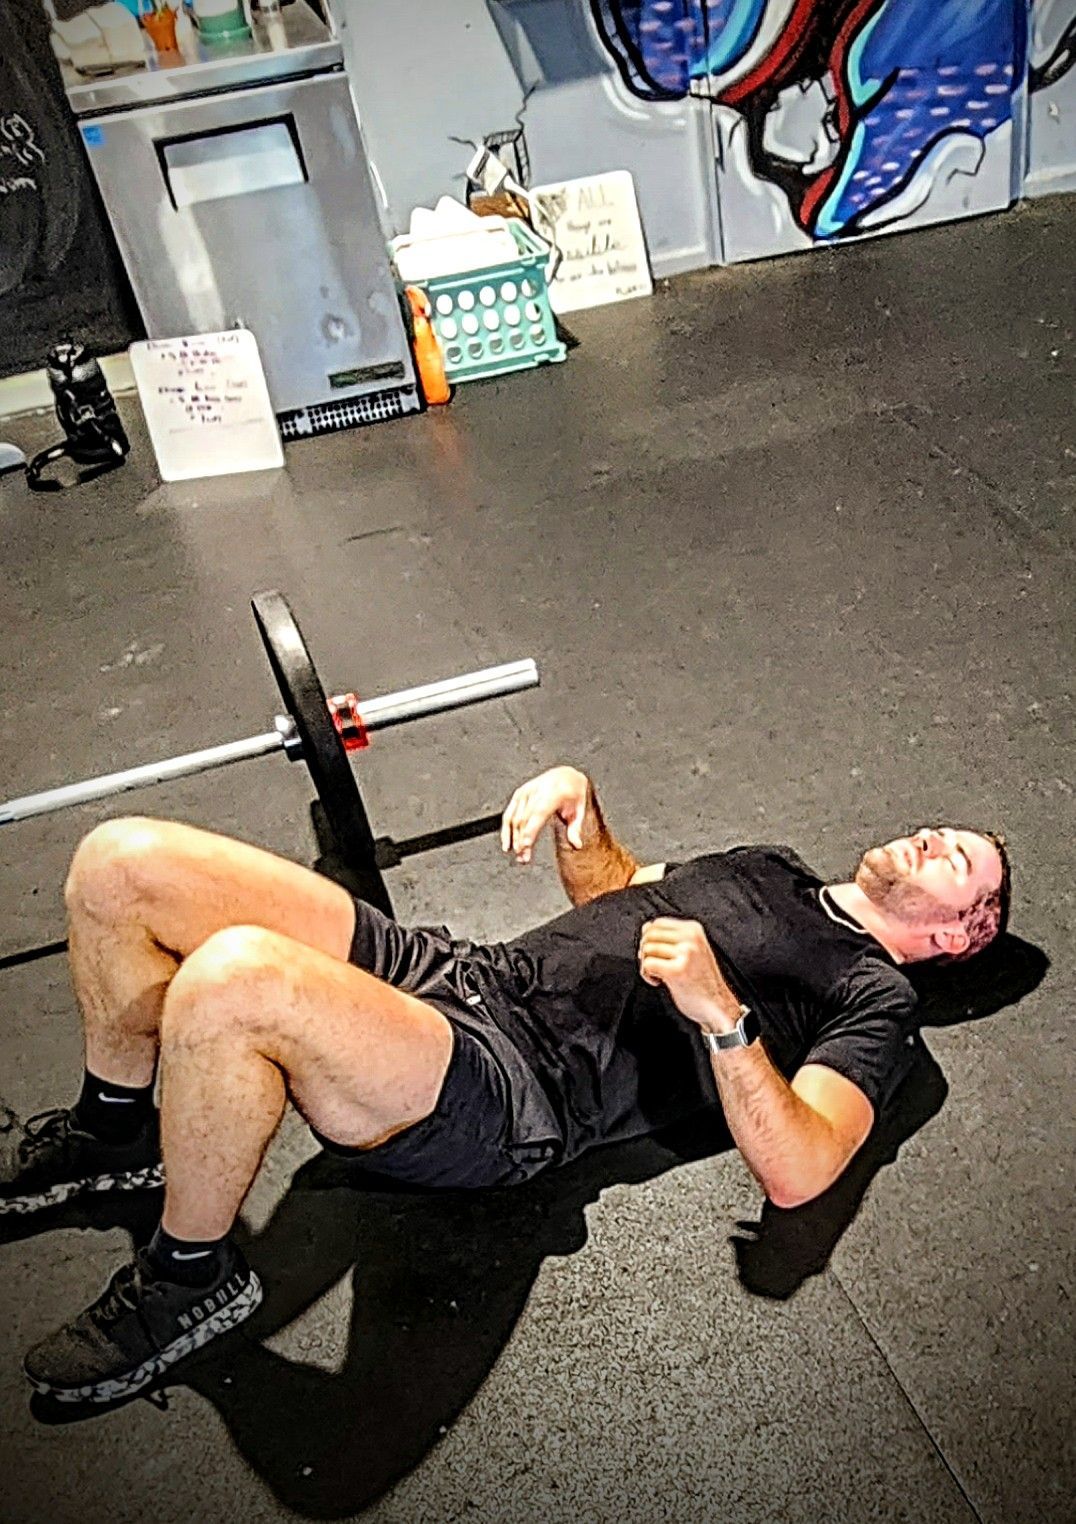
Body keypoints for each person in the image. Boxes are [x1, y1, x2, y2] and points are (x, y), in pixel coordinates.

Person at [1, 766, 1010, 1407]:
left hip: (510, 1089)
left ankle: (189, 1279)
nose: (929, 834)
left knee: (232, 984)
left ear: (964, 933)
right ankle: (114, 1131)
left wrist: (724, 1020)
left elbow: (802, 1168)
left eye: (955, 854)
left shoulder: (873, 999)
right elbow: (623, 894)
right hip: (459, 974)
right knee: (119, 864)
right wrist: (581, 807)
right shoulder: (773, 866)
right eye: (938, 825)